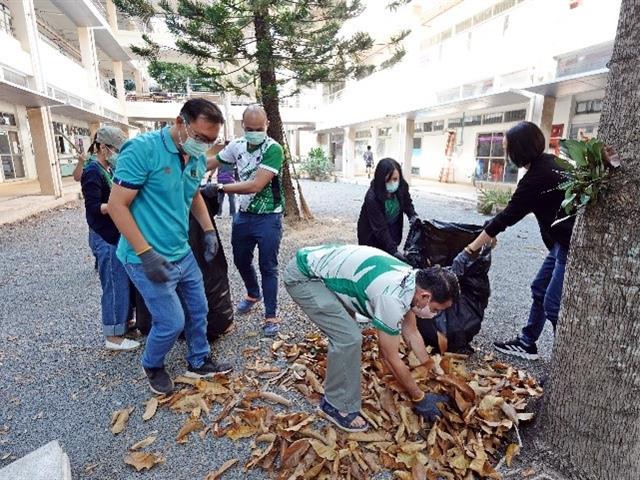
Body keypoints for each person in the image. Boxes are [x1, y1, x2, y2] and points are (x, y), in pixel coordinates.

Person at [108, 98, 232, 395]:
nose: (204, 145)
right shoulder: (143, 150)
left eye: (212, 140)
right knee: (170, 321)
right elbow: (116, 205)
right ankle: (152, 363)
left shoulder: (196, 157)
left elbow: (194, 195)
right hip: (144, 256)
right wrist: (145, 254)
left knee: (199, 308)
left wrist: (207, 231)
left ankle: (198, 360)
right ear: (180, 123)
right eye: (201, 137)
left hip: (182, 251)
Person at [284, 244, 460, 432]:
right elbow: (390, 357)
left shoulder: (411, 281)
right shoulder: (391, 298)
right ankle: (335, 405)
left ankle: (339, 382)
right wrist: (419, 397)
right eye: (435, 309)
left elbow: (411, 332)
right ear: (425, 296)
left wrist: (432, 368)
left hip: (318, 264)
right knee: (348, 338)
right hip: (304, 277)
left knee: (346, 330)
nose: (433, 314)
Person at [464, 121, 575, 360]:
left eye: (507, 148)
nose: (506, 154)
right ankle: (527, 342)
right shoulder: (551, 162)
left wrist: (471, 249)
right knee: (539, 288)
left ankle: (564, 365)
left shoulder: (536, 177)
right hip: (560, 243)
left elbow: (506, 217)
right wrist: (487, 234)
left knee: (554, 305)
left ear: (519, 149)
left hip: (570, 245)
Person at [202, 105, 285, 337]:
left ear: (267, 125)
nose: (255, 132)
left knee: (268, 266)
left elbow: (256, 185)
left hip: (269, 216)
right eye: (250, 129)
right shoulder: (236, 146)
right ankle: (252, 293)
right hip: (244, 216)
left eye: (259, 128)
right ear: (243, 126)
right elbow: (213, 161)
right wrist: (186, 164)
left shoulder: (273, 149)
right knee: (240, 259)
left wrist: (219, 186)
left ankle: (271, 314)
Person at [81, 126, 140, 352]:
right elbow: (93, 208)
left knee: (123, 281)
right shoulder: (93, 172)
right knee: (114, 283)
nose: (119, 155)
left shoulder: (108, 168)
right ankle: (113, 336)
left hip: (115, 234)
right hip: (103, 235)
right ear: (104, 148)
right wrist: (117, 206)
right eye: (117, 150)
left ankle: (124, 322)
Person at [357, 158, 419, 259]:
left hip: (392, 228)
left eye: (395, 179)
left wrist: (412, 215)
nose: (392, 183)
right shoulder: (372, 197)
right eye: (388, 180)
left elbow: (407, 203)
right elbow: (380, 228)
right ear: (381, 180)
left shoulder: (402, 186)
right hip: (371, 235)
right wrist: (393, 251)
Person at [215, 149, 237, 217]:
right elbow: (237, 169)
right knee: (231, 198)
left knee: (220, 197)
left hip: (221, 180)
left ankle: (219, 214)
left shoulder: (220, 157)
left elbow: (214, 167)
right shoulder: (233, 158)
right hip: (230, 180)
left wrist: (210, 176)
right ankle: (232, 214)